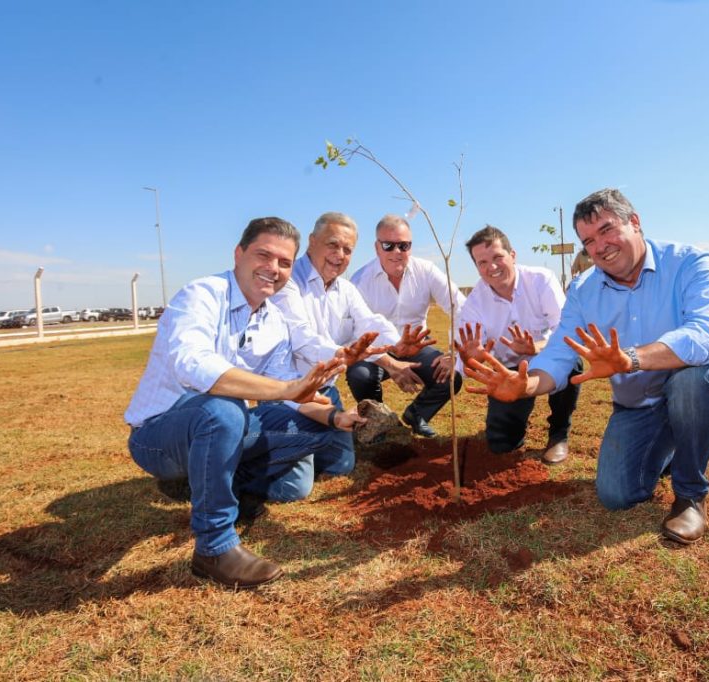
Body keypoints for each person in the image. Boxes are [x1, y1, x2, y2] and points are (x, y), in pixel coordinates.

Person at [463, 189, 709, 544]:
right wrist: (527, 386)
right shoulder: (583, 289)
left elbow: (706, 336)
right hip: (640, 404)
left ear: (635, 222)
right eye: (588, 241)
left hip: (701, 385)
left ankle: (689, 495)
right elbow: (562, 351)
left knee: (692, 382)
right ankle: (674, 441)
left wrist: (632, 359)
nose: (600, 247)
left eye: (607, 230)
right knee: (617, 495)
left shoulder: (689, 262)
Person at [124, 217, 369, 590]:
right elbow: (196, 367)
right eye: (264, 255)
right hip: (159, 438)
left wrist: (337, 418)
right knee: (223, 409)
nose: (273, 269)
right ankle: (214, 546)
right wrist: (286, 389)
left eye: (284, 263)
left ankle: (216, 480)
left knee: (316, 434)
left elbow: (291, 395)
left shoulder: (273, 321)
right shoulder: (201, 295)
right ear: (238, 254)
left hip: (221, 426)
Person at [284, 211, 435, 440]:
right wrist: (342, 354)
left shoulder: (345, 289)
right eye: (333, 245)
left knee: (341, 463)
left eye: (347, 250)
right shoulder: (288, 280)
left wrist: (396, 344)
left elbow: (369, 322)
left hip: (324, 391)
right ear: (312, 241)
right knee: (302, 453)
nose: (339, 255)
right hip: (288, 392)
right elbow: (301, 337)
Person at [453, 225, 580, 464]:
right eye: (482, 262)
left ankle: (558, 434)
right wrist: (475, 358)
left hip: (545, 360)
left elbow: (565, 330)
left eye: (497, 257)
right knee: (501, 445)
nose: (491, 267)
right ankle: (515, 421)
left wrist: (536, 348)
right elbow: (467, 360)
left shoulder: (541, 280)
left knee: (572, 360)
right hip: (507, 374)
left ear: (512, 255)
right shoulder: (473, 303)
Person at [349, 214, 465, 437]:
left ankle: (417, 414)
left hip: (416, 349)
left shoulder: (427, 271)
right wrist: (391, 364)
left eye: (404, 245)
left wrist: (454, 352)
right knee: (360, 375)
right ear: (377, 247)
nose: (396, 252)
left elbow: (460, 307)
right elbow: (355, 333)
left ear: (411, 246)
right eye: (388, 245)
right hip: (378, 351)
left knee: (451, 375)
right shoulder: (360, 280)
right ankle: (379, 422)